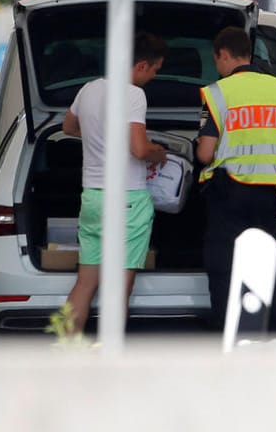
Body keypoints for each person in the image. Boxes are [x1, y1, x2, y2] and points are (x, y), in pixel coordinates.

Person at [59, 31, 169, 335]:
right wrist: (157, 153)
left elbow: (68, 127)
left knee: (85, 282)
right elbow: (138, 148)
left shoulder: (89, 89)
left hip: (93, 197)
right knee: (119, 289)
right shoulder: (133, 94)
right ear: (142, 65)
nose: (153, 77)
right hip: (127, 201)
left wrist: (100, 138)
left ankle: (66, 348)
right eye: (156, 70)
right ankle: (109, 358)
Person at [197, 26, 276, 333]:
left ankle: (225, 333)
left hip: (228, 194)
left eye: (217, 60)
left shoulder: (218, 93)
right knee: (269, 270)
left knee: (223, 267)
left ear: (224, 54)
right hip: (267, 196)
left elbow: (205, 154)